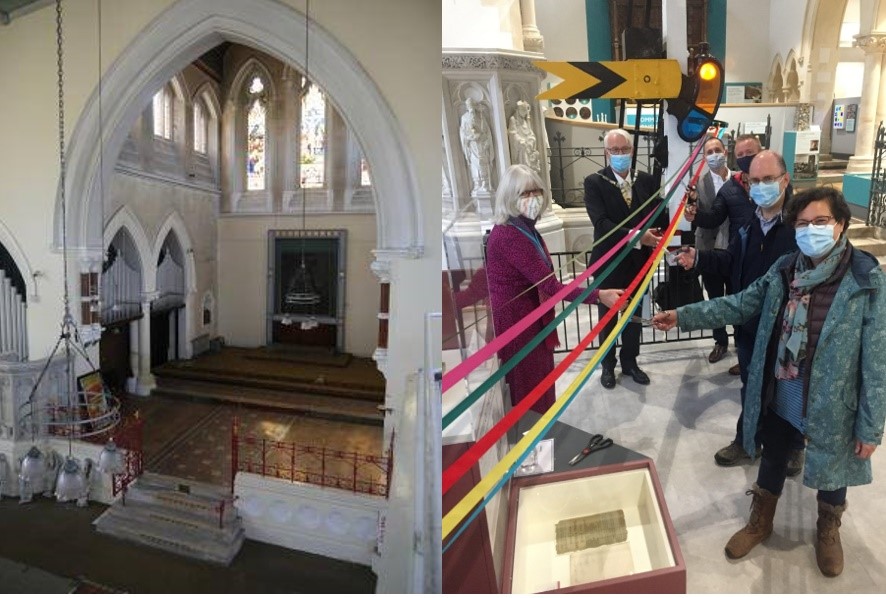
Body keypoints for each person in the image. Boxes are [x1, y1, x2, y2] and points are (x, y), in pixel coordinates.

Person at [653, 186, 886, 577]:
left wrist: (870, 426)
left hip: (834, 399)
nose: (810, 230)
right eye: (802, 223)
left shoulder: (865, 277)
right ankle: (761, 520)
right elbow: (740, 303)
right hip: (785, 386)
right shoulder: (784, 270)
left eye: (821, 222)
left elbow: (877, 361)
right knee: (775, 454)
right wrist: (683, 315)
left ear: (841, 224)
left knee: (834, 465)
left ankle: (828, 529)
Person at [676, 150, 805, 473]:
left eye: (768, 180)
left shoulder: (799, 228)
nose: (760, 187)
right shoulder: (750, 224)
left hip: (787, 329)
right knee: (751, 385)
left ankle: (793, 446)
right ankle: (748, 441)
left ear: (785, 180)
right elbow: (732, 260)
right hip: (749, 324)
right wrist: (700, 258)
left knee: (787, 390)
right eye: (754, 181)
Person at [486, 164, 623, 414]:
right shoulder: (510, 235)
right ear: (509, 197)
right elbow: (550, 285)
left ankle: (541, 432)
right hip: (519, 325)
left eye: (536, 191)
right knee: (531, 390)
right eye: (524, 194)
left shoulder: (524, 227)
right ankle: (534, 438)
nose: (533, 198)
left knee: (540, 382)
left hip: (532, 318)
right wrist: (599, 295)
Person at [583, 128, 667, 389]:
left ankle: (630, 362)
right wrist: (636, 237)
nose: (620, 154)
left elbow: (659, 214)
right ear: (606, 153)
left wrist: (676, 213)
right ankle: (608, 366)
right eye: (614, 150)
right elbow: (600, 222)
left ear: (632, 151)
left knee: (633, 317)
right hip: (609, 263)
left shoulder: (647, 180)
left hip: (639, 264)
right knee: (608, 318)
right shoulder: (594, 182)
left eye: (624, 149)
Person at [689, 136, 733, 363]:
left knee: (737, 295)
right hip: (708, 247)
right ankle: (720, 341)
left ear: (725, 152)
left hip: (734, 248)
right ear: (704, 158)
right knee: (715, 297)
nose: (714, 154)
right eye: (709, 152)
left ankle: (743, 341)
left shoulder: (739, 180)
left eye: (717, 149)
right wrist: (692, 205)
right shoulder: (697, 183)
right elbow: (693, 213)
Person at [459, 97, 495, 195]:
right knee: (475, 164)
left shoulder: (481, 117)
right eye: (469, 105)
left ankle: (485, 183)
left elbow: (487, 131)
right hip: (472, 145)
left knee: (483, 162)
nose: (471, 107)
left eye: (472, 105)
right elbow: (463, 132)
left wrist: (486, 140)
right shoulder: (464, 117)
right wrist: (470, 137)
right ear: (467, 107)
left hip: (481, 144)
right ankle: (477, 184)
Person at [508, 100, 541, 174]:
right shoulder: (513, 120)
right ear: (518, 110)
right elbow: (513, 134)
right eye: (523, 110)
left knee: (534, 154)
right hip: (521, 147)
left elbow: (530, 133)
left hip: (529, 145)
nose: (525, 112)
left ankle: (531, 171)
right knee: (524, 151)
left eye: (526, 110)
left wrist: (531, 140)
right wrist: (520, 141)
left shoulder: (525, 121)